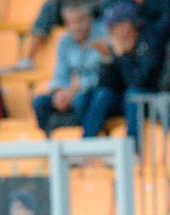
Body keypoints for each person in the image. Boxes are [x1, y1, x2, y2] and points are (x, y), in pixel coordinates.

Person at [86, 1, 162, 141]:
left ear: (127, 25)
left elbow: (139, 80)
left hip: (149, 100)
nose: (111, 31)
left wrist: (122, 57)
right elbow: (106, 84)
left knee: (133, 94)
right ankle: (86, 145)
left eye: (114, 26)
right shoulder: (117, 45)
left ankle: (133, 147)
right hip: (125, 100)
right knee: (103, 95)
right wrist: (107, 60)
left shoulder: (149, 42)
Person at [32, 1, 107, 136]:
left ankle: (73, 134)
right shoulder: (65, 43)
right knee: (39, 103)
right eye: (71, 23)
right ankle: (50, 139)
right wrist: (59, 92)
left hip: (92, 92)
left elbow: (103, 75)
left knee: (83, 100)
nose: (77, 27)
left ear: (90, 19)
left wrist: (77, 88)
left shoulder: (102, 37)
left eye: (80, 21)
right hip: (71, 92)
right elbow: (60, 74)